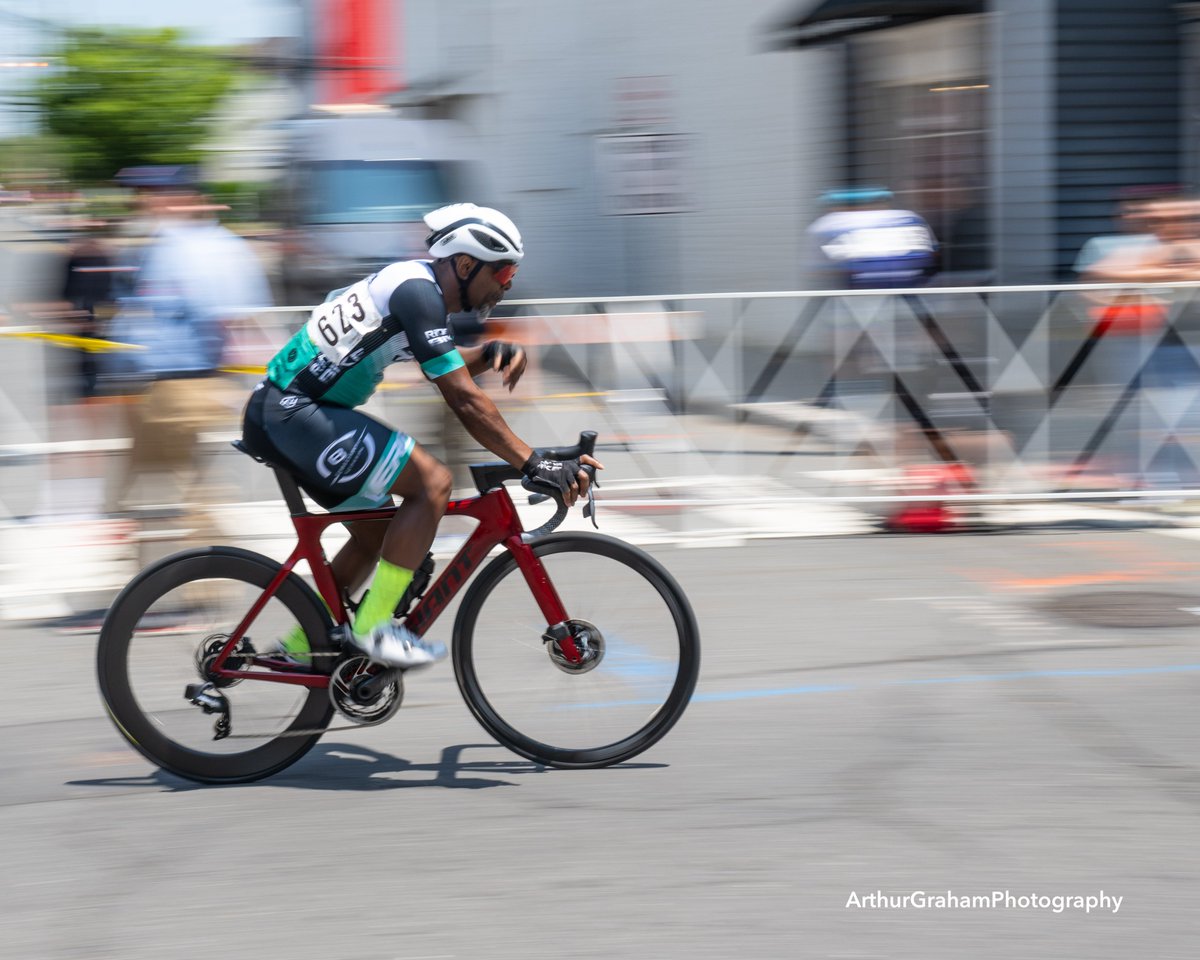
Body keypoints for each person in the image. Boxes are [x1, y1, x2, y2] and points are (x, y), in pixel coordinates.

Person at [240, 203, 602, 669]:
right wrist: (533, 463)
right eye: (504, 270)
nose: (508, 283)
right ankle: (371, 629)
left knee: (382, 537)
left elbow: (440, 365)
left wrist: (486, 353)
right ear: (466, 264)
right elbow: (464, 400)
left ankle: (300, 649)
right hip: (294, 413)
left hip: (291, 412)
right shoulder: (418, 294)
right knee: (432, 483)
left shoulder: (414, 286)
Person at [105, 166, 273, 542]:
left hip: (181, 385)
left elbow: (229, 320)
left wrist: (232, 383)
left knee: (178, 489)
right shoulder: (181, 245)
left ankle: (206, 576)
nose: (143, 203)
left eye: (152, 194)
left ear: (182, 198)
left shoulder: (199, 250)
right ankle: (167, 578)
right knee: (158, 486)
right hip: (162, 386)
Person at [807, 187, 939, 289]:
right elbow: (932, 256)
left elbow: (816, 270)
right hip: (907, 281)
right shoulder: (908, 217)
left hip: (854, 286)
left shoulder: (826, 224)